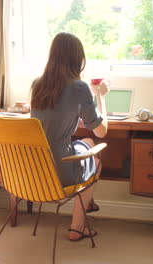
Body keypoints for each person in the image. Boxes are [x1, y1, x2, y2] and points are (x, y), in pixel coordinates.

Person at [30, 32, 109, 241]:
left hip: (33, 170)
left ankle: (86, 200)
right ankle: (77, 227)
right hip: (58, 170)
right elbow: (102, 131)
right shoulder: (79, 87)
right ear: (78, 59)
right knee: (97, 156)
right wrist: (101, 97)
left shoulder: (38, 85)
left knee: (87, 143)